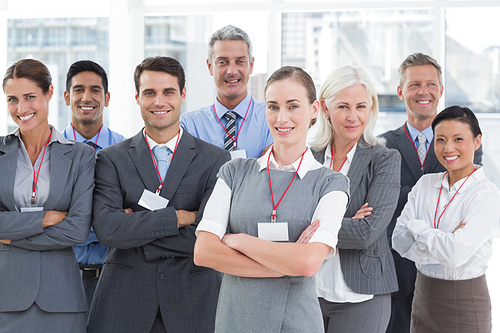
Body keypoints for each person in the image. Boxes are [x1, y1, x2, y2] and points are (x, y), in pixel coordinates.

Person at [194, 66, 350, 333]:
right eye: (273, 107)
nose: (282, 118)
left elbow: (308, 263)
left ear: (314, 110)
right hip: (235, 320)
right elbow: (204, 252)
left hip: (297, 322)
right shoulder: (234, 172)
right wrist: (287, 263)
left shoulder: (331, 183)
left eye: (293, 106)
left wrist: (238, 240)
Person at [87, 56, 230, 333]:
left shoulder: (215, 159)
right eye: (149, 93)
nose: (159, 102)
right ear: (137, 97)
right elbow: (108, 230)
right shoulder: (111, 159)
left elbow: (210, 238)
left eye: (168, 92)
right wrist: (178, 218)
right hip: (125, 301)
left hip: (194, 299)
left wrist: (135, 232)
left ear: (183, 95)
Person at [380, 53, 482, 333]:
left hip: (446, 277)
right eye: (414, 85)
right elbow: (381, 206)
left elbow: (465, 202)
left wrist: (407, 203)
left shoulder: (466, 142)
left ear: (441, 90)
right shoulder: (383, 146)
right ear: (400, 91)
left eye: (431, 84)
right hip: (397, 268)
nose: (423, 92)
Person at [0, 59, 94, 332]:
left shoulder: (81, 156)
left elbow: (77, 230)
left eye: (30, 97)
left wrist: (10, 237)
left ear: (49, 93)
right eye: (12, 99)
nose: (21, 109)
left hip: (62, 297)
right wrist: (44, 219)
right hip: (6, 295)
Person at [309, 65, 400, 333]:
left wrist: (313, 223)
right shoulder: (308, 157)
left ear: (370, 108)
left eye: (361, 106)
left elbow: (365, 233)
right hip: (309, 290)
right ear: (325, 108)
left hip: (363, 295)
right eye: (343, 107)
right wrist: (345, 221)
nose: (353, 116)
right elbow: (289, 218)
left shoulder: (384, 159)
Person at [392, 106, 498, 333]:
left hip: (466, 302)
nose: (448, 148)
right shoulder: (425, 184)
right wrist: (444, 241)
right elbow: (399, 240)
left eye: (458, 139)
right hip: (423, 299)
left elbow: (454, 254)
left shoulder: (486, 195)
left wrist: (417, 227)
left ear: (477, 141)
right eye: (440, 139)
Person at [61, 60, 126, 308]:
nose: (86, 97)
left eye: (95, 90)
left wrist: (70, 221)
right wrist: (110, 222)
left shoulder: (128, 151)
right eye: (78, 90)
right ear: (67, 97)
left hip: (116, 278)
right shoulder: (49, 152)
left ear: (106, 98)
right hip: (63, 277)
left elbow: (132, 222)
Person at [180, 25, 273, 159]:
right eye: (223, 62)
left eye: (240, 61)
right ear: (210, 66)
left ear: (251, 65)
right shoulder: (189, 125)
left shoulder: (272, 118)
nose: (232, 71)